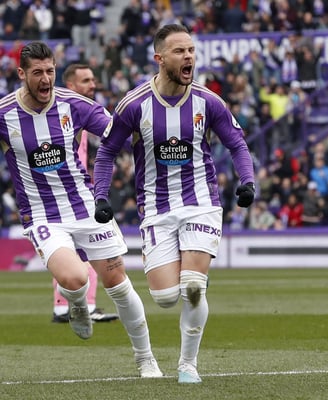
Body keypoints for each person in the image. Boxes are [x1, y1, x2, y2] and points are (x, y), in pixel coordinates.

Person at [93, 24, 256, 384]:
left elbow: (237, 144)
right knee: (166, 296)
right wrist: (100, 196)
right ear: (160, 58)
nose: (189, 57)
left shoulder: (208, 101)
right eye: (180, 51)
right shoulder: (134, 105)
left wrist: (247, 181)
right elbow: (106, 153)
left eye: (192, 51)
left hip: (201, 202)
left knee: (193, 287)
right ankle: (182, 278)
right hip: (156, 208)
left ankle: (188, 365)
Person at [0, 41, 162, 378]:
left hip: (85, 207)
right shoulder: (4, 114)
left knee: (118, 283)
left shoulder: (73, 104)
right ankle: (77, 305)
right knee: (75, 278)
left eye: (50, 71)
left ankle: (146, 359)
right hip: (43, 215)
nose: (46, 79)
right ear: (21, 74)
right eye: (37, 73)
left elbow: (116, 133)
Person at [50, 63, 119, 324]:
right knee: (91, 248)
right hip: (68, 194)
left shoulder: (82, 112)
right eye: (86, 80)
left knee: (71, 252)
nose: (93, 85)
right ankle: (83, 306)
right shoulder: (63, 112)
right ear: (70, 85)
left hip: (75, 191)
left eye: (93, 80)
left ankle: (62, 307)